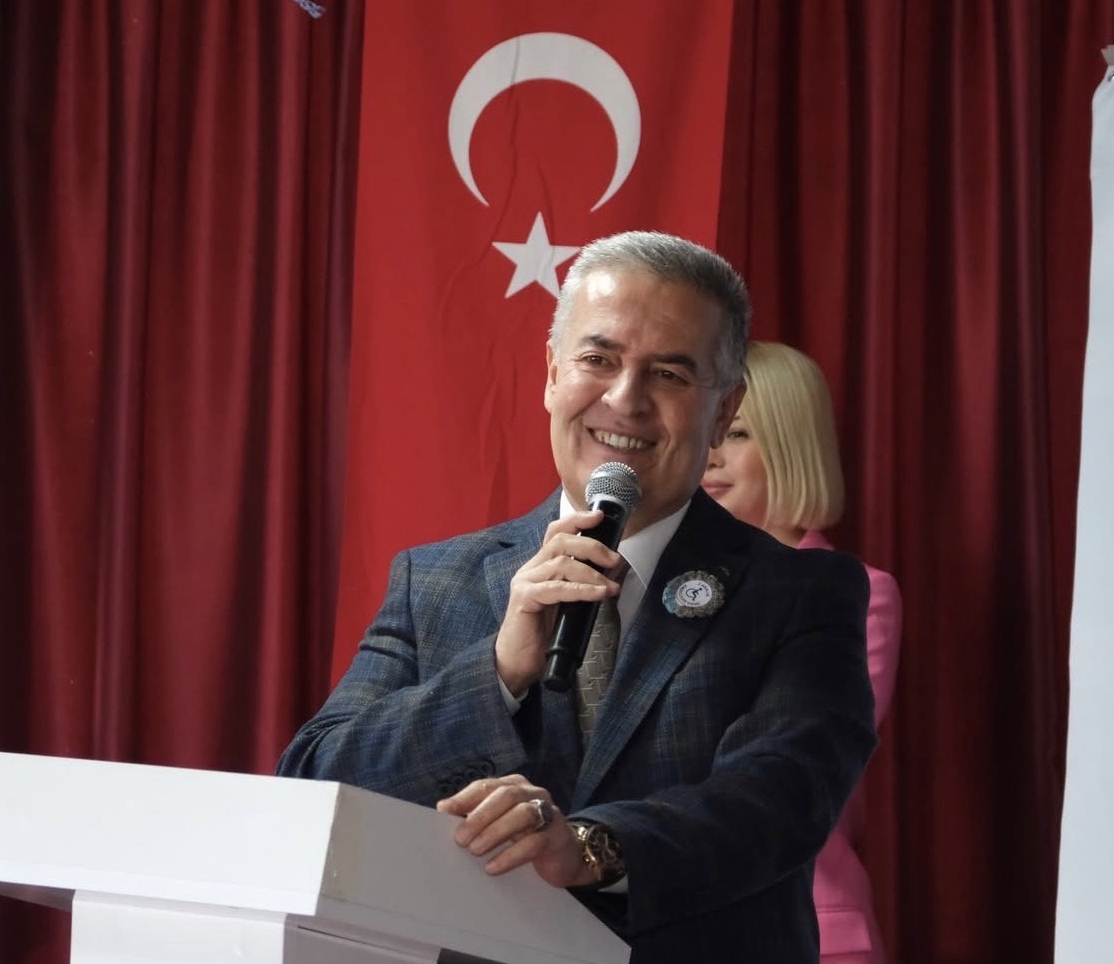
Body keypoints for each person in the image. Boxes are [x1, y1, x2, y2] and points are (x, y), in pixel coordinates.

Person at [277, 232, 877, 963]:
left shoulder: (801, 592)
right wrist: (497, 671)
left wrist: (592, 847)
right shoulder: (433, 580)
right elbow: (314, 784)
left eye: (669, 373)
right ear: (552, 374)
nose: (625, 400)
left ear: (724, 411)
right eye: (598, 360)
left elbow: (785, 795)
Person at [702, 341, 902, 964]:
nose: (710, 455)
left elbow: (783, 762)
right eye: (705, 430)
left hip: (809, 933)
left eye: (736, 433)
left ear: (790, 444)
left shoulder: (861, 593)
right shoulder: (658, 582)